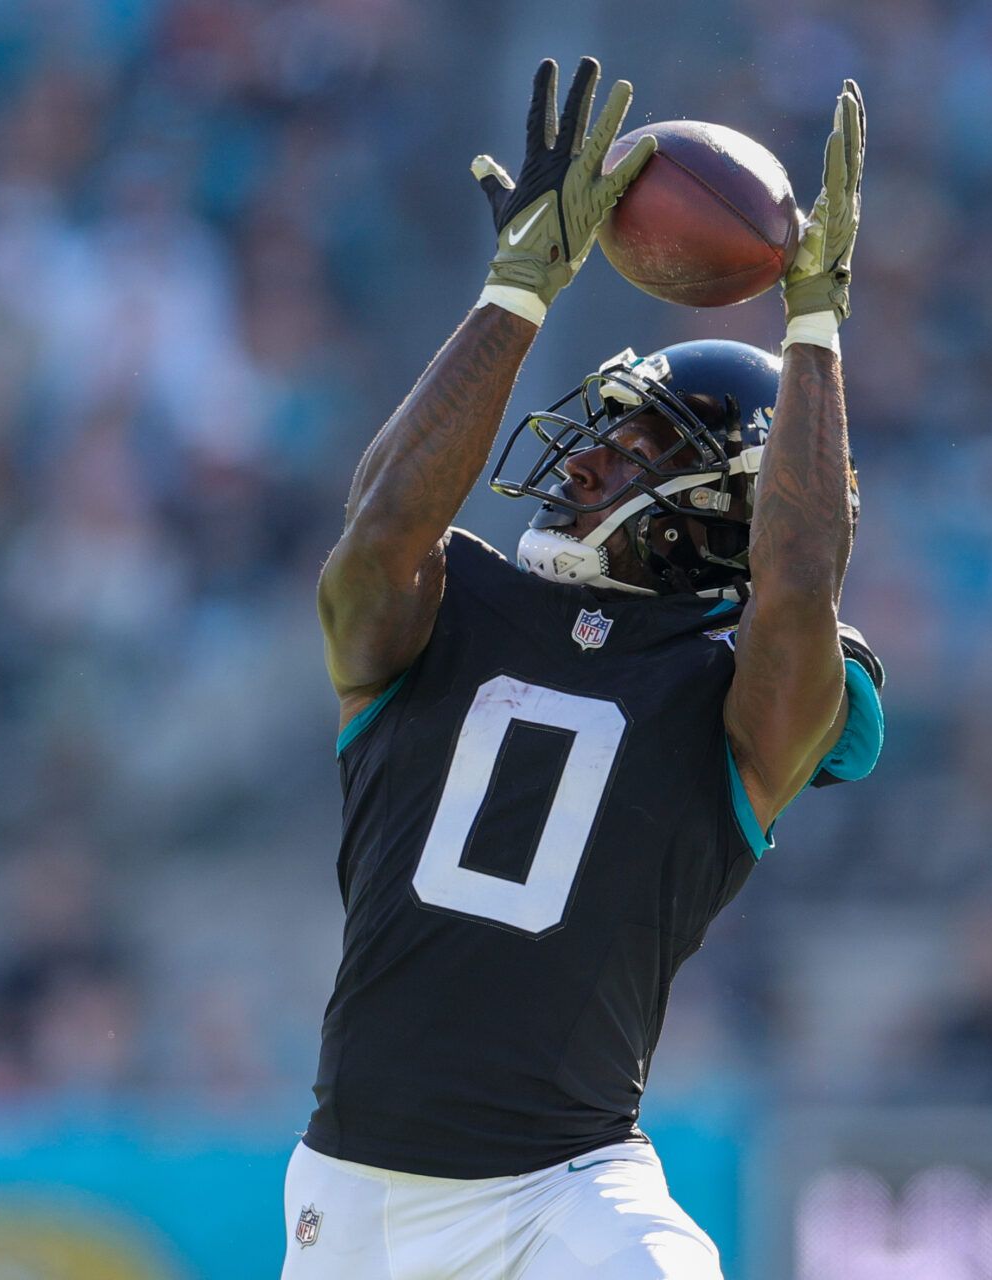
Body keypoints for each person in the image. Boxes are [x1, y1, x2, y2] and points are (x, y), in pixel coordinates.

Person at [285, 56, 880, 1278]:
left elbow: (802, 585)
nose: (590, 458)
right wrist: (515, 290)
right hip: (357, 1195)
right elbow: (376, 536)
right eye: (607, 427)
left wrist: (812, 334)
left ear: (721, 507)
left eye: (642, 442)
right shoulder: (445, 607)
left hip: (569, 1188)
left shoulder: (732, 694)